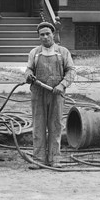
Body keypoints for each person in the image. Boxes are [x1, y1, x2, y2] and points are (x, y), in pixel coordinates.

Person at [24, 21, 75, 169]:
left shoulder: (63, 52)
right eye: (42, 35)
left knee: (55, 126)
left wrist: (62, 85)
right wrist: (28, 75)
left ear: (53, 34)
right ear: (39, 37)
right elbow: (28, 69)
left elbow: (71, 71)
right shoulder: (34, 52)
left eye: (48, 34)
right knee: (39, 125)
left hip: (56, 94)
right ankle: (38, 159)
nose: (45, 37)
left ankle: (55, 158)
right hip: (38, 93)